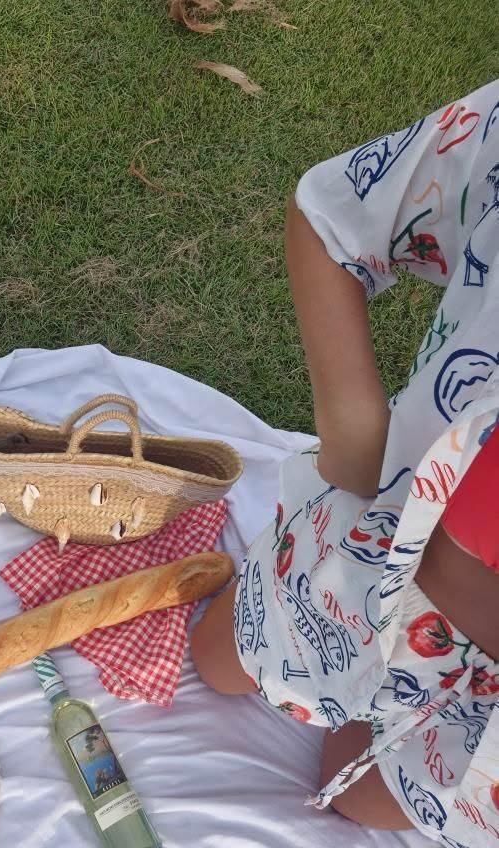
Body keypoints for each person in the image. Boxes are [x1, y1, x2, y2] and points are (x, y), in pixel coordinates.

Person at [191, 79, 499, 846]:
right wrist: (356, 432)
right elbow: (332, 213)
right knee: (215, 664)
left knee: (354, 799)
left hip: (480, 731)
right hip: (364, 545)